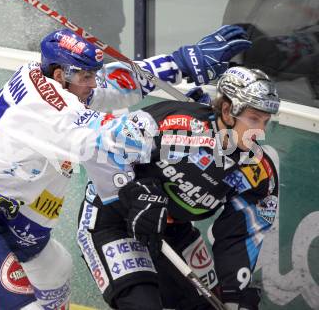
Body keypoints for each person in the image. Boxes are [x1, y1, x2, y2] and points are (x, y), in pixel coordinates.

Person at [0, 26, 250, 310]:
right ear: (61, 75)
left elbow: (114, 85)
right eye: (86, 76)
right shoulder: (48, 112)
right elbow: (108, 137)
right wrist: (184, 123)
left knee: (56, 269)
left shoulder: (48, 77)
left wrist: (181, 62)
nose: (94, 83)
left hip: (3, 214)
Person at [77, 66, 280, 310]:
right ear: (227, 111)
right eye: (254, 119)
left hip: (173, 230)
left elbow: (238, 236)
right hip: (114, 219)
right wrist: (137, 191)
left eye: (265, 121)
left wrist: (235, 293)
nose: (260, 131)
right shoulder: (177, 124)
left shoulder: (257, 172)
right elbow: (101, 146)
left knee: (210, 306)